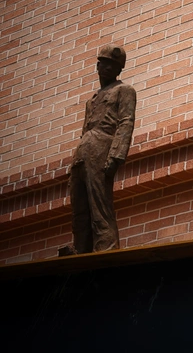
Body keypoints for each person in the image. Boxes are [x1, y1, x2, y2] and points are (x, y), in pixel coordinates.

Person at [66, 45, 137, 254]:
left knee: (99, 204)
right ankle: (81, 250)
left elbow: (126, 122)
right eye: (104, 64)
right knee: (79, 206)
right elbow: (84, 131)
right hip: (83, 151)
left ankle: (106, 249)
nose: (107, 68)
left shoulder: (124, 90)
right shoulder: (92, 100)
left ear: (119, 70)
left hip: (102, 146)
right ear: (97, 66)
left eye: (112, 66)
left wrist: (116, 155)